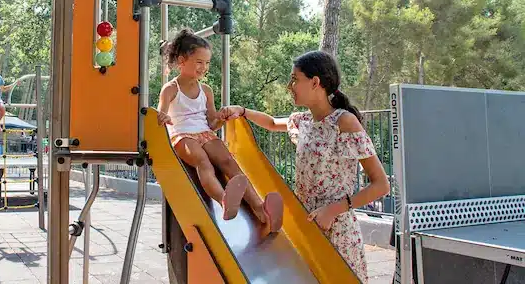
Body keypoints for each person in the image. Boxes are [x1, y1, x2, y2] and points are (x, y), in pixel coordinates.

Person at [219, 50, 390, 283]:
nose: (290, 86)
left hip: (336, 230)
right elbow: (270, 123)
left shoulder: (344, 122)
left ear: (315, 82)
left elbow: (381, 185)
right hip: (303, 225)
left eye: (295, 79)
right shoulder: (303, 122)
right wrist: (243, 111)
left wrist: (333, 210)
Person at [156, 29, 268, 224]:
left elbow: (212, 123)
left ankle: (258, 206)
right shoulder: (171, 88)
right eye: (199, 62)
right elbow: (161, 113)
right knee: (203, 162)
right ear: (182, 61)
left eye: (207, 63)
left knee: (228, 161)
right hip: (182, 135)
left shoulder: (206, 90)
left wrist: (222, 118)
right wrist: (164, 117)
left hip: (204, 133)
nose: (204, 67)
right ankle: (224, 201)